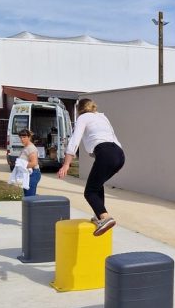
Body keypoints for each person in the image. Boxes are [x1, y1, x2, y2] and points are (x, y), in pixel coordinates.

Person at [57, 98, 125, 236]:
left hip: (105, 153)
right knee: (97, 185)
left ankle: (105, 218)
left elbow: (74, 141)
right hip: (119, 155)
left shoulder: (83, 117)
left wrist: (66, 164)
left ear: (79, 110)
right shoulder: (102, 117)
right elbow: (112, 137)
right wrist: (115, 164)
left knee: (90, 192)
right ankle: (99, 215)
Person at [18, 128, 41, 197]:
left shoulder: (31, 148)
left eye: (24, 137)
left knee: (29, 198)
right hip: (27, 174)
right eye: (21, 137)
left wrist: (22, 165)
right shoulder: (26, 147)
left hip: (33, 174)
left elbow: (34, 163)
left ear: (29, 137)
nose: (22, 139)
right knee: (27, 197)